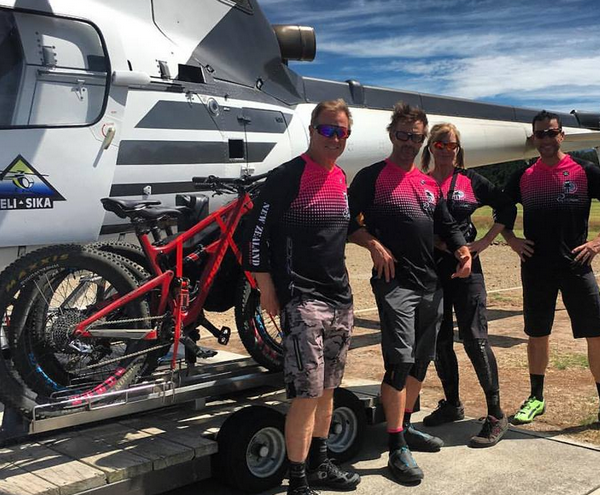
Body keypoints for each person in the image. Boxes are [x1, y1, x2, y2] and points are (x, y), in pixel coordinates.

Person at [347, 102, 471, 483]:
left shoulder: (428, 183)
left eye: (415, 137)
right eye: (402, 135)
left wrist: (462, 249)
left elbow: (446, 224)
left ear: (423, 141)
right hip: (395, 283)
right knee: (400, 362)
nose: (408, 143)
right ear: (392, 135)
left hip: (429, 283)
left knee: (420, 360)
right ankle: (396, 444)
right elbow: (346, 221)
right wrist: (372, 244)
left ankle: (405, 424)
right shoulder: (372, 177)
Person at [243, 99, 361, 495]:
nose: (334, 138)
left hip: (340, 299)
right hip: (303, 299)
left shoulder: (340, 177)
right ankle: (297, 481)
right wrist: (266, 287)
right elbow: (254, 235)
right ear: (311, 131)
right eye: (327, 129)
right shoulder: (288, 176)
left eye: (341, 131)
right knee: (306, 394)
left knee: (327, 390)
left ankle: (320, 464)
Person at [421, 123, 516, 447]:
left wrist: (486, 241)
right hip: (432, 268)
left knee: (475, 339)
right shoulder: (420, 182)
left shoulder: (471, 180)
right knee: (440, 339)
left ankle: (496, 414)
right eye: (440, 145)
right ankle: (452, 404)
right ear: (430, 148)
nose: (446, 151)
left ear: (458, 149)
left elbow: (507, 206)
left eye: (452, 145)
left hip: (467, 267)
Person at [503, 110, 600, 425]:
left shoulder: (585, 171)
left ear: (562, 135)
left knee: (596, 334)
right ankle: (536, 398)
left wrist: (596, 244)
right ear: (533, 138)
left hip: (577, 266)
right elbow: (501, 213)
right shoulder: (523, 176)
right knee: (537, 334)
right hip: (536, 268)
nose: (545, 138)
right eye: (540, 134)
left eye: (551, 132)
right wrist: (512, 240)